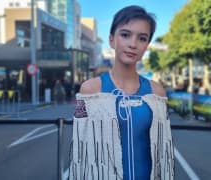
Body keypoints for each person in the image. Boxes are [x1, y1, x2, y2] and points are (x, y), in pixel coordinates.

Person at [69, 5, 174, 180]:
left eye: (142, 38)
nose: (133, 44)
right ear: (112, 40)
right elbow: (81, 152)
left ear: (147, 45)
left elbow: (164, 153)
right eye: (125, 35)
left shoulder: (157, 92)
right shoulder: (90, 90)